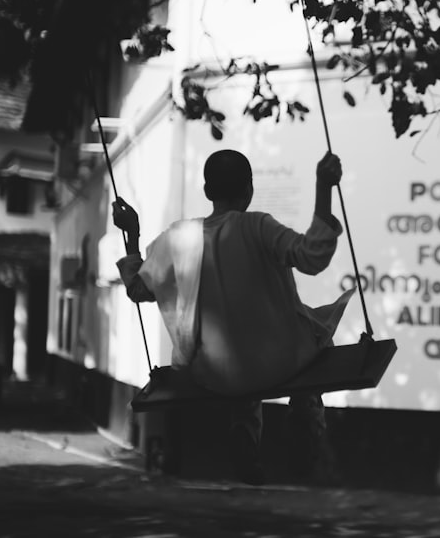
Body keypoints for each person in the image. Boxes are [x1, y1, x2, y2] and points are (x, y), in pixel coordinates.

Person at [112, 149, 349, 485]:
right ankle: (305, 425)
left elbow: (138, 290)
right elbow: (313, 257)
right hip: (280, 363)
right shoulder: (257, 226)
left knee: (238, 363)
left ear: (208, 192)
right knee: (318, 337)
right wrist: (323, 188)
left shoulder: (178, 239)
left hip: (211, 372)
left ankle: (244, 433)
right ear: (249, 190)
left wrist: (132, 234)